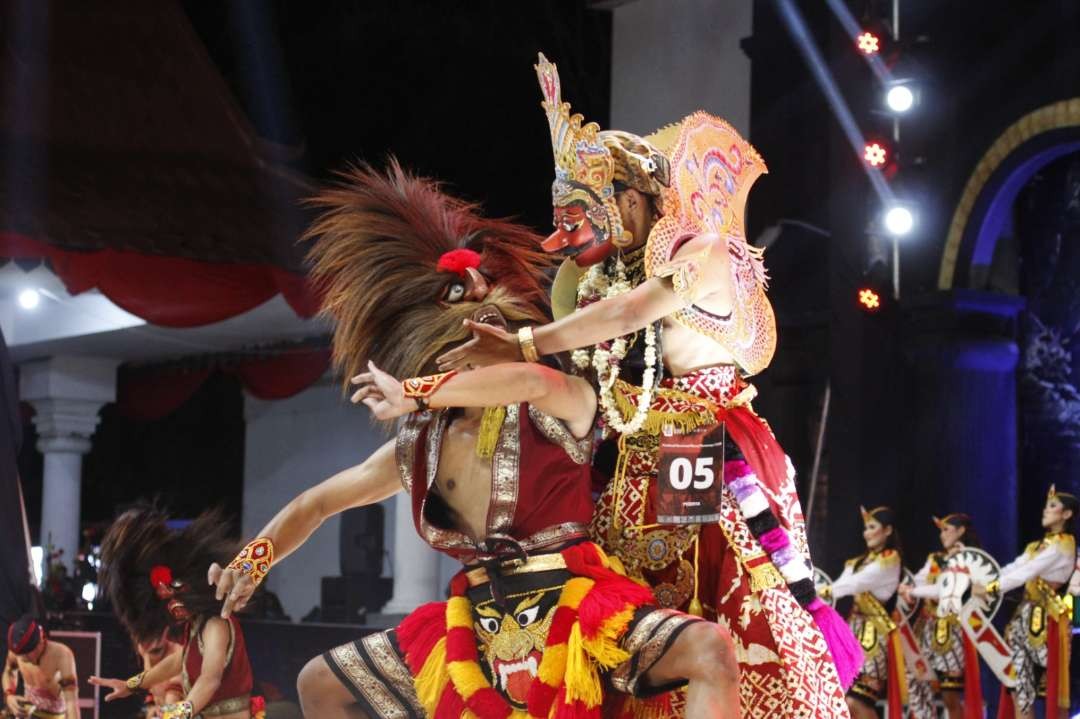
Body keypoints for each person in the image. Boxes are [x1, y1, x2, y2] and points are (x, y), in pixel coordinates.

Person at [209, 162, 740, 719]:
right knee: (319, 684)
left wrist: (415, 394)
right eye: (462, 302)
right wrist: (255, 559)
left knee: (709, 650)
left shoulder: (557, 401)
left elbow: (530, 378)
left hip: (576, 611)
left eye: (489, 292)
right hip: (471, 628)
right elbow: (316, 503)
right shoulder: (418, 444)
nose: (483, 303)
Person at [435, 52, 859, 718]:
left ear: (628, 197)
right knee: (613, 601)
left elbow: (630, 316)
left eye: (578, 216)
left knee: (695, 591)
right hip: (627, 453)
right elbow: (571, 361)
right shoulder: (594, 277)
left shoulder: (701, 251)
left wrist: (525, 340)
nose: (566, 236)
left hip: (700, 444)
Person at [88, 507, 263, 719]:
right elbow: (176, 662)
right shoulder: (194, 626)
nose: (172, 606)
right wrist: (131, 684)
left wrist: (179, 712)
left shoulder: (216, 625)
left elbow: (210, 679)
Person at [975, 486, 1077, 719]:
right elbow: (1016, 567)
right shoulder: (1036, 546)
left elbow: (1028, 572)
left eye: (1052, 506)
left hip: (1047, 623)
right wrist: (986, 579)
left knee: (1052, 692)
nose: (1045, 510)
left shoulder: (1064, 544)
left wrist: (991, 588)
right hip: (1024, 619)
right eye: (1046, 505)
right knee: (1019, 688)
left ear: (1067, 514)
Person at [821, 507, 905, 719]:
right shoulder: (857, 562)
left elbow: (855, 584)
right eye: (865, 528)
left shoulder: (889, 559)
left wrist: (820, 591)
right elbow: (840, 584)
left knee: (858, 700)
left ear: (887, 531)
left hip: (875, 637)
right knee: (846, 702)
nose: (866, 532)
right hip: (853, 633)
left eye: (872, 527)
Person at [898, 514, 983, 719]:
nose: (942, 535)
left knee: (950, 697)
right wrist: (906, 587)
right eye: (941, 530)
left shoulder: (968, 558)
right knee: (917, 687)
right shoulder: (935, 558)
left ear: (961, 530)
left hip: (952, 632)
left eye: (946, 529)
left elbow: (943, 590)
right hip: (926, 629)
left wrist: (913, 592)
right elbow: (920, 579)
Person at [2, 616, 78, 719]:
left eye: (27, 654)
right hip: (27, 713)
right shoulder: (18, 651)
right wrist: (9, 695)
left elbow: (71, 702)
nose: (23, 659)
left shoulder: (61, 654)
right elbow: (9, 671)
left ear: (40, 642)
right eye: (20, 655)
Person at [135, 635, 183, 718]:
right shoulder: (143, 647)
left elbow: (175, 692)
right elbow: (152, 687)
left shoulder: (178, 649)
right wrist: (151, 708)